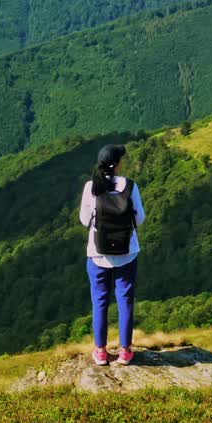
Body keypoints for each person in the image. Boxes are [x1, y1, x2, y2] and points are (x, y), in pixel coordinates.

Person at [79, 144, 147, 366]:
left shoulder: (91, 187)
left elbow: (83, 220)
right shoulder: (129, 185)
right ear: (117, 164)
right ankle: (125, 351)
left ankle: (100, 351)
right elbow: (140, 218)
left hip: (97, 254)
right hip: (127, 252)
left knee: (100, 300)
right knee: (125, 300)